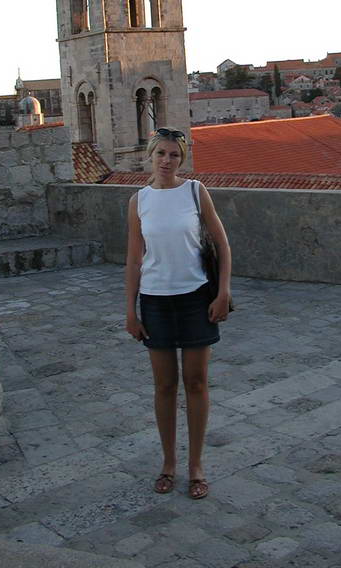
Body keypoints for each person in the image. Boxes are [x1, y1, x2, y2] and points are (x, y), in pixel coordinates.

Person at [125, 127, 232, 500]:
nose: (167, 161)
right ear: (150, 156)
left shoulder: (195, 192)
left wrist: (223, 292)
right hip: (155, 300)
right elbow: (134, 259)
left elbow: (221, 243)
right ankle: (168, 463)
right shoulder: (139, 201)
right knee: (165, 386)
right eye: (161, 154)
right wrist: (130, 311)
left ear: (181, 159)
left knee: (197, 382)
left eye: (174, 155)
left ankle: (196, 466)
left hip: (195, 299)